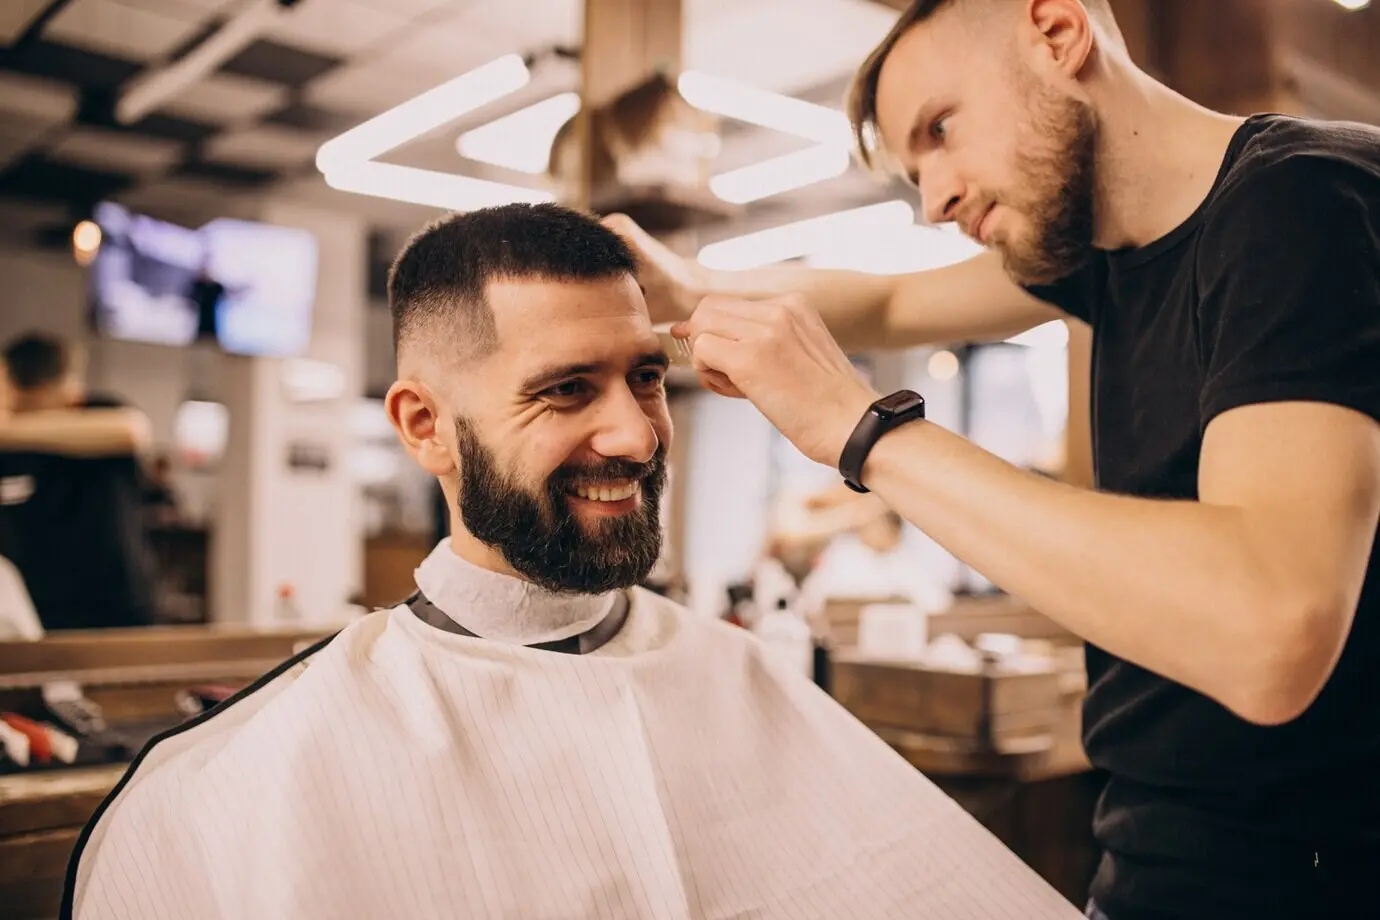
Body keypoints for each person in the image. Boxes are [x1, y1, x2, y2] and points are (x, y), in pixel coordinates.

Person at [64, 204, 1082, 920]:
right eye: (565, 390)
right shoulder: (238, 786)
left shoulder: (738, 673)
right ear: (425, 425)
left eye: (645, 376)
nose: (638, 435)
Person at [606, 1, 1380, 917]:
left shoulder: (1302, 202)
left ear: (1057, 33)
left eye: (941, 129)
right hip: (1155, 859)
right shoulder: (1113, 255)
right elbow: (890, 305)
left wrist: (864, 431)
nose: (933, 199)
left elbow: (1270, 631)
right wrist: (696, 289)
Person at [0, 333, 159, 630]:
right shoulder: (9, 453)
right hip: (36, 618)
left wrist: (9, 429)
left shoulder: (98, 413)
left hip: (114, 612)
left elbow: (132, 431)